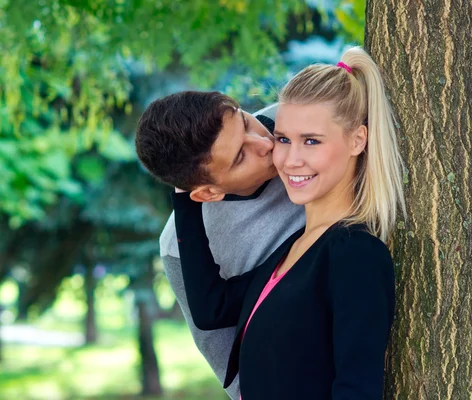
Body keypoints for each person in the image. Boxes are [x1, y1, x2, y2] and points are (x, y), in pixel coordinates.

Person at [173, 46, 407, 400]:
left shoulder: (355, 254)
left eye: (311, 141)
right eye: (283, 139)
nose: (290, 159)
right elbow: (210, 308)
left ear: (358, 140)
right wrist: (186, 187)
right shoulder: (297, 247)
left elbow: (356, 388)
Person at [135, 91, 305, 400]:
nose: (265, 142)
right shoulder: (179, 249)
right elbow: (238, 375)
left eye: (245, 121)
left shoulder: (296, 118)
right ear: (207, 193)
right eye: (240, 156)